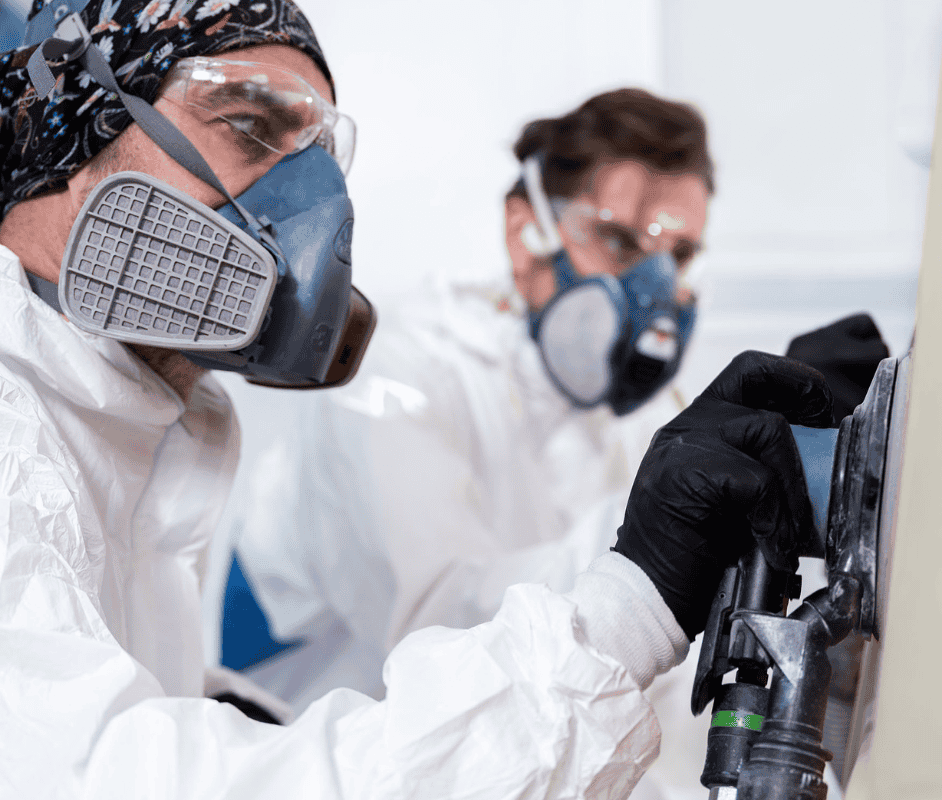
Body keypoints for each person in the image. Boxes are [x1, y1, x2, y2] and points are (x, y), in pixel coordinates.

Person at [0, 1, 836, 797]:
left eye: (320, 162)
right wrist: (638, 587)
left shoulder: (152, 426)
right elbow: (111, 777)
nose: (307, 213)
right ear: (68, 120)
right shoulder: (395, 381)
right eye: (251, 128)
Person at [219, 89, 714, 708]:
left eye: (680, 255)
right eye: (618, 242)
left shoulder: (643, 418)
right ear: (525, 229)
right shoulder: (394, 375)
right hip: (312, 733)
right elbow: (439, 639)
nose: (655, 291)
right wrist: (666, 539)